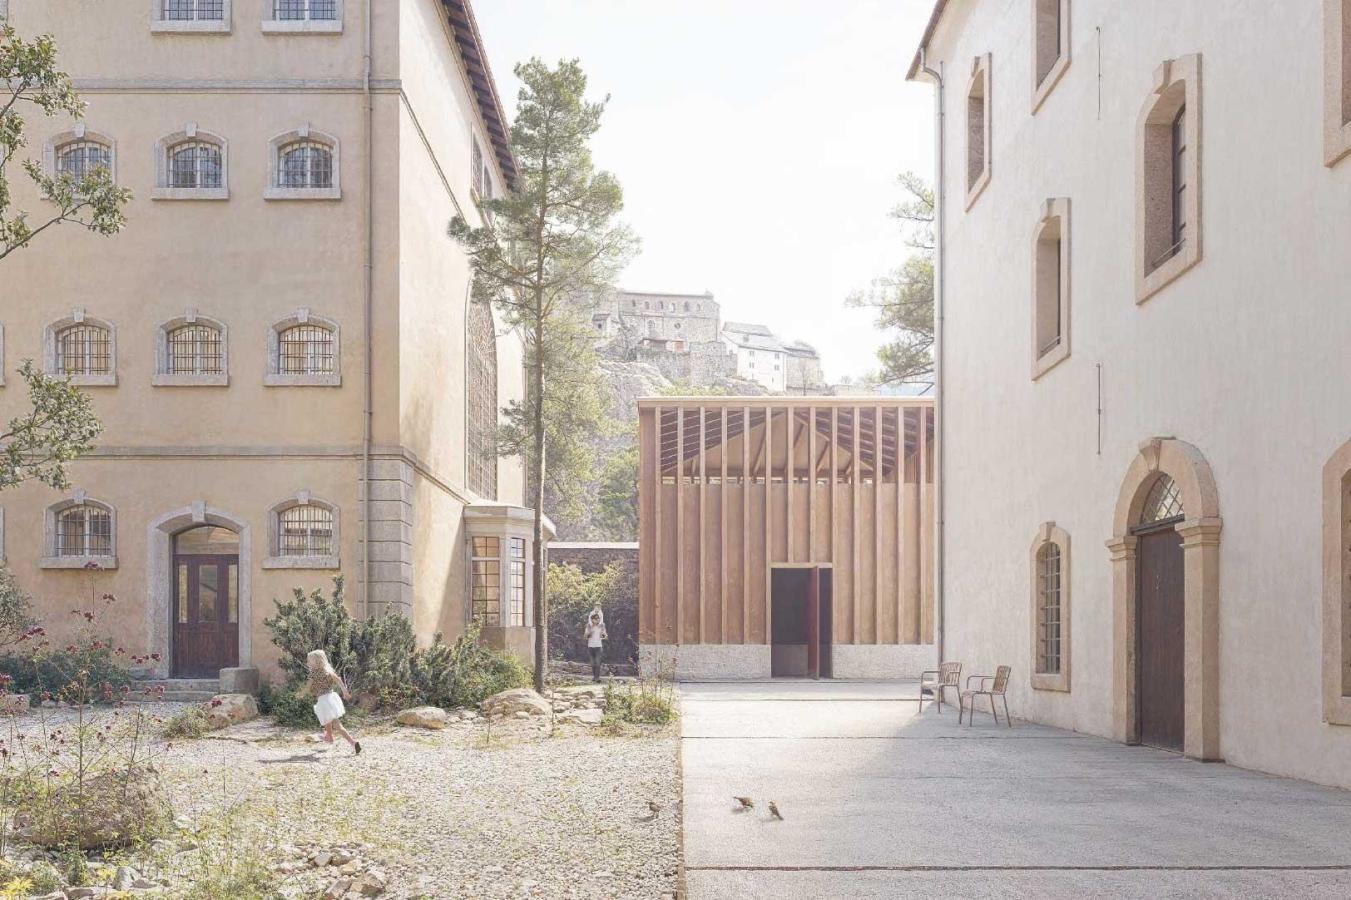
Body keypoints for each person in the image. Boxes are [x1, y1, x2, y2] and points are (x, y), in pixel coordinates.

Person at [303, 649, 361, 755]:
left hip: (324, 701)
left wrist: (301, 694)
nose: (307, 663)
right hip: (331, 698)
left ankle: (353, 742)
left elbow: (308, 687)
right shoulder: (328, 672)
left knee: (337, 725)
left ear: (316, 662)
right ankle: (329, 736)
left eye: (309, 661)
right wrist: (345, 692)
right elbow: (339, 680)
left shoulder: (313, 674)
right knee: (327, 719)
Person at [584, 607, 608, 683]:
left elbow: (605, 636)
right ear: (592, 619)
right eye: (595, 619)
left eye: (598, 619)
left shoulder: (602, 626)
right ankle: (595, 677)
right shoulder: (588, 626)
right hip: (590, 647)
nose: (596, 620)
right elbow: (585, 637)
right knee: (592, 663)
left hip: (598, 647)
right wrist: (590, 632)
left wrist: (604, 635)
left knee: (598, 663)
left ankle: (597, 678)